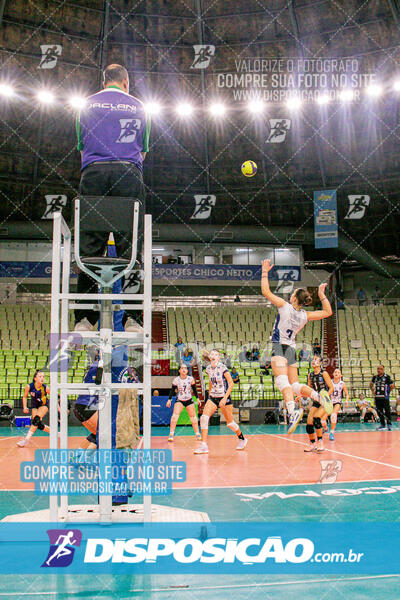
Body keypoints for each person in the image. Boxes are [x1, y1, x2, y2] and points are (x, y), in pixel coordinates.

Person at [74, 63, 151, 334]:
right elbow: (143, 152)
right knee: (131, 248)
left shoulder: (85, 105)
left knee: (88, 248)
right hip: (128, 174)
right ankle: (133, 319)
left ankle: (84, 320)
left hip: (93, 173)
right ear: (126, 83)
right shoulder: (140, 106)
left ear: (104, 81)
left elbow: (82, 148)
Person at [261, 258, 333, 437]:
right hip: (292, 349)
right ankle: (318, 396)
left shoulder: (284, 306)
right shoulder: (304, 315)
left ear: (293, 298)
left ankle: (292, 412)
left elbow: (265, 291)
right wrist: (321, 294)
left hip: (280, 347)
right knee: (294, 385)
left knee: (281, 381)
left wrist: (264, 272)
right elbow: (327, 312)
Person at [194, 349, 247, 454]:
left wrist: (224, 398)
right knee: (204, 417)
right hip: (213, 397)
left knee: (230, 423)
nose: (213, 356)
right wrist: (209, 393)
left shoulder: (223, 368)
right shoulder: (208, 368)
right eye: (212, 354)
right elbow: (210, 380)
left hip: (224, 397)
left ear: (219, 358)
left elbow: (231, 384)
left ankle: (242, 438)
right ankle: (204, 445)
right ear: (210, 357)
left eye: (216, 354)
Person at [304, 356, 334, 451]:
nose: (313, 361)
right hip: (316, 401)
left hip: (325, 401)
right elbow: (309, 389)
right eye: (313, 360)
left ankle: (320, 443)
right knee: (309, 421)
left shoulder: (324, 373)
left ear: (320, 363)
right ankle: (312, 444)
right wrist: (301, 396)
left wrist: (325, 396)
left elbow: (331, 388)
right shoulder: (310, 375)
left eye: (316, 360)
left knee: (317, 419)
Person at [166, 364, 201, 442]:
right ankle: (171, 434)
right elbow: (172, 390)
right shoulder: (176, 380)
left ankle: (197, 434)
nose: (184, 369)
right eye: (182, 368)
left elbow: (194, 389)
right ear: (179, 371)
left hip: (189, 399)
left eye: (185, 368)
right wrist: (169, 400)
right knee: (174, 416)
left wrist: (198, 399)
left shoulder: (190, 379)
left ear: (187, 371)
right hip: (180, 399)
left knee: (193, 418)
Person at [17, 370, 52, 447]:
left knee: (36, 419)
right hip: (35, 406)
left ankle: (26, 440)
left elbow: (54, 396)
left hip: (44, 405)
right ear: (35, 378)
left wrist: (58, 408)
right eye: (40, 376)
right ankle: (55, 433)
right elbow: (25, 397)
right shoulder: (29, 386)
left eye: (43, 376)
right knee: (38, 424)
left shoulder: (45, 387)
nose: (42, 378)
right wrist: (25, 406)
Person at [370, 365, 395, 431]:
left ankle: (389, 424)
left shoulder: (387, 377)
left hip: (385, 397)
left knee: (387, 411)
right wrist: (373, 391)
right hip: (377, 397)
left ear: (383, 370)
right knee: (379, 411)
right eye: (378, 369)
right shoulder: (375, 377)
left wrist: (388, 392)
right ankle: (382, 424)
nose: (379, 370)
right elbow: (371, 384)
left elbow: (392, 385)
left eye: (380, 369)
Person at [328, 368, 349, 441]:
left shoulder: (342, 384)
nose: (336, 373)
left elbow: (347, 394)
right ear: (333, 374)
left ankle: (332, 432)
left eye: (338, 372)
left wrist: (346, 401)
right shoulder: (329, 382)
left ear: (341, 375)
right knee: (322, 420)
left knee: (333, 415)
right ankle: (325, 428)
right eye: (335, 372)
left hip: (337, 402)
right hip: (329, 402)